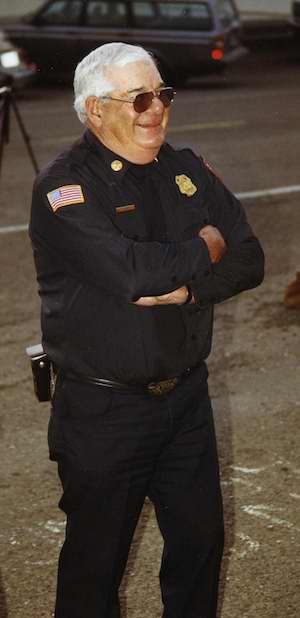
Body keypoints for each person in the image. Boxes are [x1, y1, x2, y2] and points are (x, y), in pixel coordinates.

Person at [29, 42, 264, 618]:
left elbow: (250, 258)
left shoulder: (186, 169)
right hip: (104, 412)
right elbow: (132, 274)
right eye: (137, 98)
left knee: (199, 548)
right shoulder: (65, 188)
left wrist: (191, 287)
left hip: (186, 400)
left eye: (161, 94)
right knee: (95, 565)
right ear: (95, 111)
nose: (154, 109)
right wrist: (207, 243)